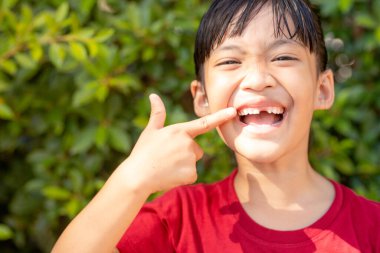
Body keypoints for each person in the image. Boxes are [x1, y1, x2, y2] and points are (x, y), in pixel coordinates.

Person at [52, 0, 380, 252]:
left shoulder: (372, 228)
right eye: (231, 61)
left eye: (282, 57)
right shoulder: (175, 223)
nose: (257, 79)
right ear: (203, 99)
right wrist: (133, 179)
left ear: (323, 89)